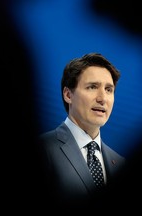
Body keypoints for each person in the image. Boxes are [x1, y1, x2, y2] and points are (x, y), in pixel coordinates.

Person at [37, 52, 126, 210]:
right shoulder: (42, 149)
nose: (102, 98)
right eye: (92, 87)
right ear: (68, 94)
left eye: (108, 90)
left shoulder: (121, 164)